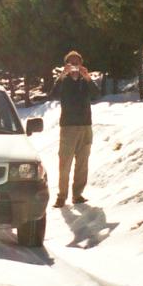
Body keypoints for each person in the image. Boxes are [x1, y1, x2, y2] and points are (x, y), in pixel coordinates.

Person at [49, 50, 99, 208]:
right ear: (66, 65)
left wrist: (88, 78)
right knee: (65, 164)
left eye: (77, 62)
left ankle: (77, 195)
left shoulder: (85, 81)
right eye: (71, 62)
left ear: (81, 64)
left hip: (85, 126)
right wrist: (61, 76)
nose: (74, 65)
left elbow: (97, 95)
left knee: (82, 163)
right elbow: (52, 95)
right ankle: (61, 196)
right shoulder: (63, 81)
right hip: (68, 128)